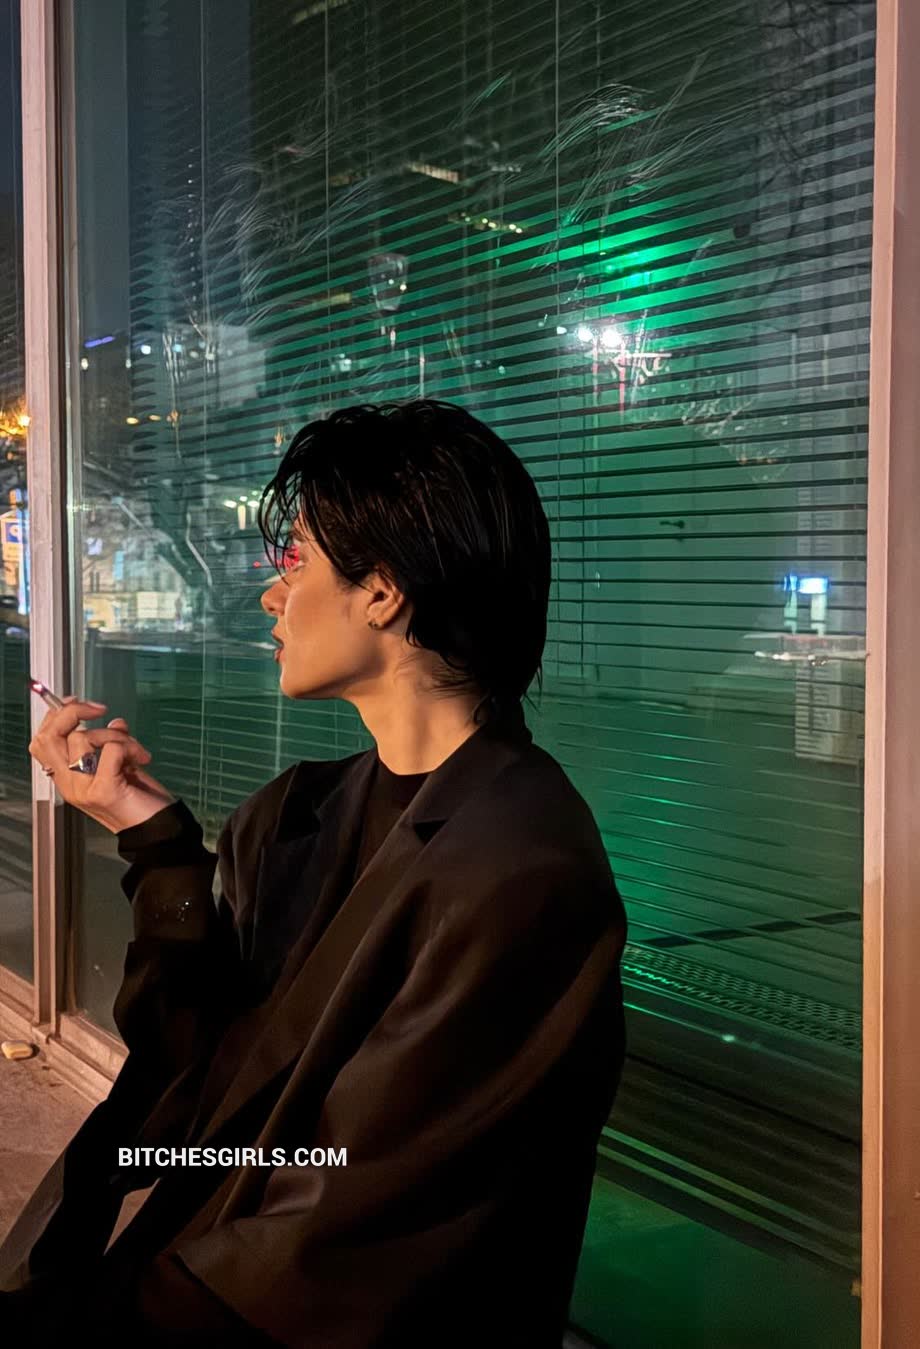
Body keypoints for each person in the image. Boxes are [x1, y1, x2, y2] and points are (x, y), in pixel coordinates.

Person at [0, 399, 628, 1347]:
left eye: (294, 559)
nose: (272, 595)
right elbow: (190, 1073)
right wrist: (155, 841)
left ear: (383, 591)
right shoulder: (295, 813)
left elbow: (350, 1234)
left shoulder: (524, 871)